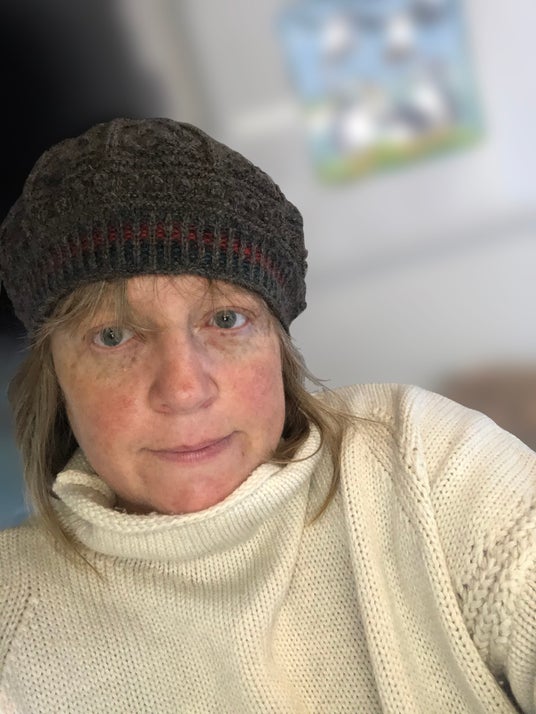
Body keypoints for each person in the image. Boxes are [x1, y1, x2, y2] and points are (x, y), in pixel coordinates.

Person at [0, 118, 534, 714]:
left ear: (278, 346)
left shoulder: (421, 461)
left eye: (226, 320)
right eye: (114, 335)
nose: (184, 389)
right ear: (55, 376)